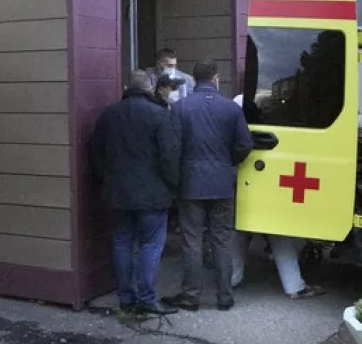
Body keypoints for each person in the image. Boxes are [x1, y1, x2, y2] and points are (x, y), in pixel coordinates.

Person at [164, 60, 254, 311]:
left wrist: (174, 182)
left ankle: (191, 295)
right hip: (222, 182)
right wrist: (227, 163)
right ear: (216, 78)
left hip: (190, 184)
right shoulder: (231, 109)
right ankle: (225, 296)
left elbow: (171, 150)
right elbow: (245, 145)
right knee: (222, 240)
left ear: (194, 79)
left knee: (192, 240)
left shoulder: (180, 108)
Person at [90, 69, 180, 316]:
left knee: (121, 243)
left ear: (126, 86)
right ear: (150, 88)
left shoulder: (107, 116)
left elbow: (96, 155)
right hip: (152, 195)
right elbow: (169, 157)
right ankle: (147, 298)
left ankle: (126, 298)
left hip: (117, 193)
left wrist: (105, 181)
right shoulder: (160, 116)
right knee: (151, 245)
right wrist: (174, 187)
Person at [229, 94, 325, 300]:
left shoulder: (235, 123)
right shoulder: (271, 128)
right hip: (268, 186)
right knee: (278, 234)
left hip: (244, 185)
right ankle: (294, 285)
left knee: (238, 232)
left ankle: (230, 278)